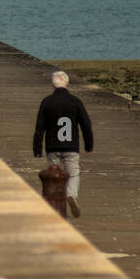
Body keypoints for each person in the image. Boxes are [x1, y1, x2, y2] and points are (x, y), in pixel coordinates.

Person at [33, 71, 94, 218]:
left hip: (52, 146)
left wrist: (37, 148)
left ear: (53, 85)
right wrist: (88, 144)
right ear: (67, 84)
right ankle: (71, 195)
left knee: (55, 175)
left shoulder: (47, 102)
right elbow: (86, 125)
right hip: (71, 146)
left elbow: (40, 127)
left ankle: (56, 203)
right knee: (73, 174)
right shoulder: (75, 101)